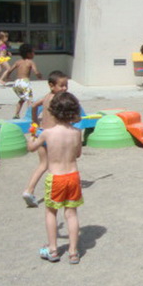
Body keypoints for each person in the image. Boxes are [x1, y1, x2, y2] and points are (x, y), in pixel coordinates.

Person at [26, 91, 83, 264]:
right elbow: (78, 154)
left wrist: (32, 136)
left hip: (56, 178)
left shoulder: (47, 133)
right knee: (71, 214)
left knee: (51, 212)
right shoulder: (77, 132)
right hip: (73, 176)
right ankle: (73, 252)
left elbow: (31, 148)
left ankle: (52, 249)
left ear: (53, 112)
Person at [22, 70, 69, 208]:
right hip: (53, 136)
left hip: (41, 133)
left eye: (66, 85)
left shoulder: (46, 97)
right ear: (51, 85)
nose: (65, 88)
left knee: (43, 164)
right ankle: (58, 191)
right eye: (61, 85)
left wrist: (35, 121)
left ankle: (29, 190)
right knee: (60, 163)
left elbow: (34, 106)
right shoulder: (58, 100)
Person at [9, 43, 43, 119]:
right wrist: (39, 75)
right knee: (29, 99)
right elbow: (35, 72)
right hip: (25, 82)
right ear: (28, 54)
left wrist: (7, 77)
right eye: (33, 52)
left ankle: (16, 114)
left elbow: (10, 70)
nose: (34, 54)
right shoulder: (30, 62)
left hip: (17, 83)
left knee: (22, 99)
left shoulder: (18, 62)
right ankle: (30, 115)